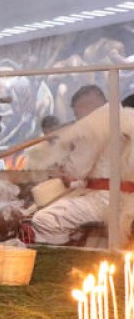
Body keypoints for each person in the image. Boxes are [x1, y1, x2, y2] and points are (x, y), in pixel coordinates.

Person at [29, 85, 112, 244]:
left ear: (85, 107)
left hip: (108, 200)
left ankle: (60, 265)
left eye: (76, 114)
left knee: (45, 219)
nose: (76, 119)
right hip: (124, 197)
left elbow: (75, 171)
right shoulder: (126, 117)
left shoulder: (93, 125)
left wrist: (63, 174)